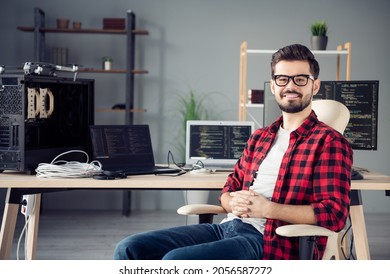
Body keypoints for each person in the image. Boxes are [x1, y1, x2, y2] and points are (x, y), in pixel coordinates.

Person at [113, 43, 353, 260]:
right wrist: (233, 202)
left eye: (300, 79)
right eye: (282, 79)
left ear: (315, 85)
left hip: (269, 241)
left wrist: (268, 209)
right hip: (227, 227)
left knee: (176, 262)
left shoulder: (329, 142)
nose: (290, 86)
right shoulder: (260, 137)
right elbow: (230, 187)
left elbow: (334, 213)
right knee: (129, 248)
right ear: (273, 86)